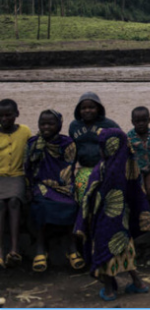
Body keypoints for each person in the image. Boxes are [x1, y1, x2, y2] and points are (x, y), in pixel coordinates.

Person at [74, 128, 150, 301]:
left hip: (103, 221)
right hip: (122, 220)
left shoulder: (103, 168)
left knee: (105, 252)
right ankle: (139, 283)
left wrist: (82, 222)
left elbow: (89, 195)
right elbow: (137, 192)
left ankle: (110, 290)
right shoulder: (128, 166)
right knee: (125, 249)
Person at [24, 109, 82, 272]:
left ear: (60, 125)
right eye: (43, 124)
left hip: (62, 184)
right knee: (41, 205)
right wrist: (29, 187)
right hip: (40, 184)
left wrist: (61, 186)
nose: (46, 127)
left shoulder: (67, 143)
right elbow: (28, 167)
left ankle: (72, 247)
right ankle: (41, 247)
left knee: (72, 205)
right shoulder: (32, 143)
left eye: (51, 123)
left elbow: (68, 168)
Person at [69, 92, 120, 204]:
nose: (87, 110)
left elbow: (121, 143)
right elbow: (72, 151)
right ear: (78, 110)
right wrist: (70, 174)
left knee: (102, 200)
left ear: (99, 109)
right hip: (83, 170)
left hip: (104, 171)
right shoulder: (74, 126)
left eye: (91, 107)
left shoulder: (109, 125)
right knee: (82, 199)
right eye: (84, 108)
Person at [0, 98, 31, 269]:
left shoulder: (25, 132)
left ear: (17, 114)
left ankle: (14, 249)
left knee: (13, 202)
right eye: (1, 116)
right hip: (0, 176)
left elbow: (30, 155)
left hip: (18, 176)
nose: (4, 119)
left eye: (8, 115)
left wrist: (29, 183)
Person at [127, 106, 150, 230]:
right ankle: (141, 222)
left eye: (144, 120)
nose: (141, 124)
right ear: (132, 122)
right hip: (137, 172)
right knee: (139, 195)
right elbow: (127, 156)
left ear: (149, 120)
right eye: (138, 121)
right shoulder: (129, 138)